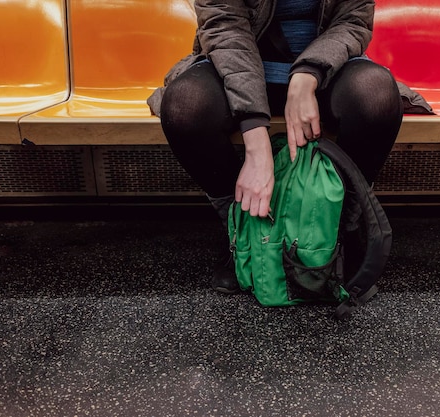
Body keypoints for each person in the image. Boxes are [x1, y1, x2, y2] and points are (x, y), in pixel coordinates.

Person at [147, 0, 404, 294]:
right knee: (185, 107)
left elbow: (353, 20)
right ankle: (244, 231)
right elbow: (224, 27)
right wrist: (256, 145)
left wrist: (307, 74)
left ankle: (338, 230)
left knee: (376, 97)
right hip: (238, 63)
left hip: (326, 67)